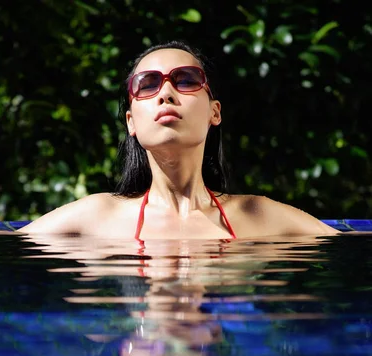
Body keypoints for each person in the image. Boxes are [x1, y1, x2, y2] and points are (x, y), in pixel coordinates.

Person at [18, 40, 339, 240]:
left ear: (215, 112)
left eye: (186, 80)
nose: (166, 94)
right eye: (147, 85)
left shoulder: (259, 215)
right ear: (131, 121)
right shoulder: (95, 216)